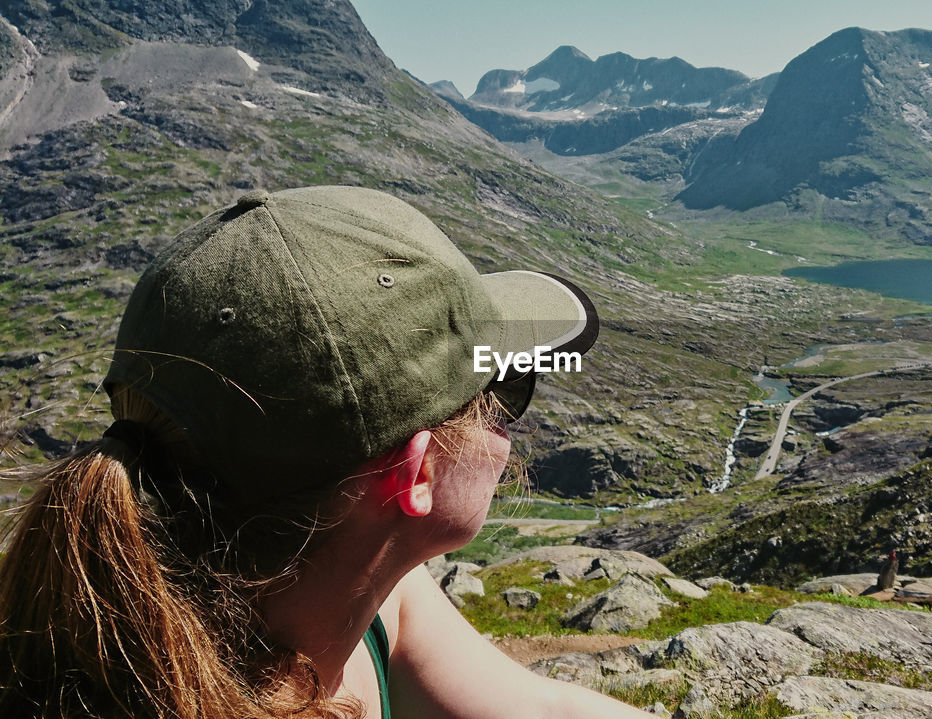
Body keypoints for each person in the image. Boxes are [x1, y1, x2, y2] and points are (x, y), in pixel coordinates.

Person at [0, 186, 653, 718]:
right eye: (501, 388)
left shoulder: (373, 590)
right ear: (415, 472)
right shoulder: (360, 593)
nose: (508, 423)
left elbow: (541, 707)